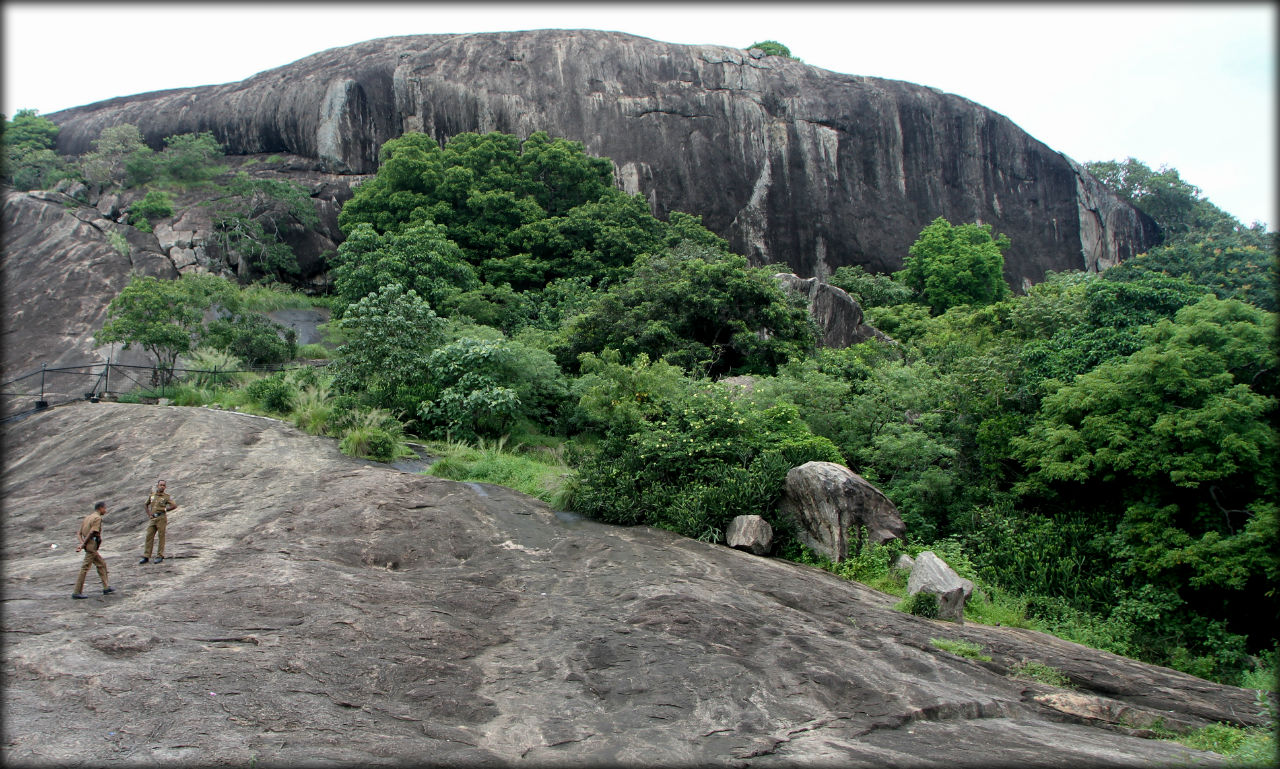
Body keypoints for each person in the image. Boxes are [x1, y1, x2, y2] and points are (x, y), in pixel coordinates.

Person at [73, 502, 114, 599]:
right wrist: (83, 544)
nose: (106, 510)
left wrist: (82, 543)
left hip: (88, 545)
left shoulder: (87, 518)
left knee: (102, 564)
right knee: (85, 568)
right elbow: (93, 532)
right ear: (100, 508)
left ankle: (106, 587)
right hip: (91, 546)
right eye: (105, 508)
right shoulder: (97, 518)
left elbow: (79, 533)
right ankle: (77, 591)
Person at [139, 479, 178, 564]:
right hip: (153, 518)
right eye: (161, 485)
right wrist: (149, 514)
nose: (162, 487)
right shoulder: (152, 495)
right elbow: (146, 504)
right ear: (158, 485)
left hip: (161, 518)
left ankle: (160, 555)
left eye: (164, 485)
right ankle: (146, 556)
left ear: (165, 487)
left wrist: (165, 509)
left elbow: (174, 505)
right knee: (149, 536)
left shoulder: (166, 497)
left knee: (161, 536)